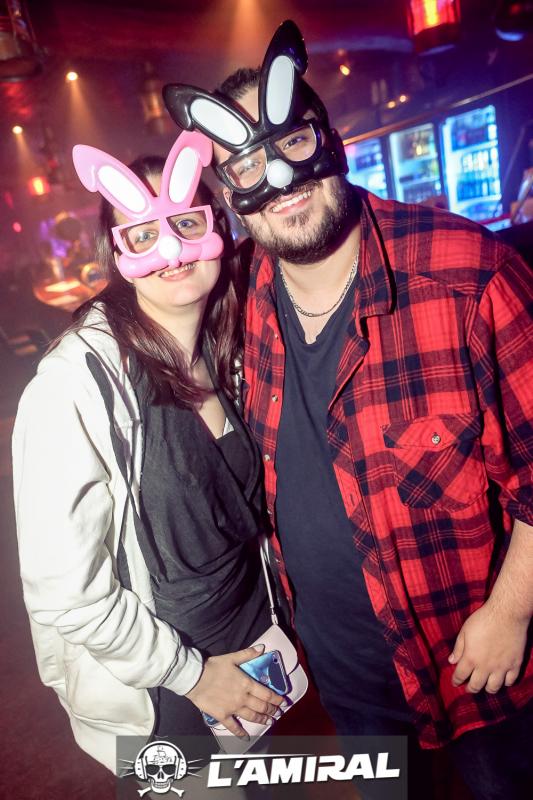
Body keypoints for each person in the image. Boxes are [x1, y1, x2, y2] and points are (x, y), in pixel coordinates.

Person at [163, 20, 533, 800]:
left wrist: (511, 612)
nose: (279, 180)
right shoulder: (239, 299)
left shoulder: (466, 274)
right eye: (245, 164)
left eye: (291, 143)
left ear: (327, 138)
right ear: (228, 194)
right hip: (344, 670)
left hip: (478, 663)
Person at [12, 131, 285, 775]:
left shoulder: (230, 349)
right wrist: (193, 677)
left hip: (256, 651)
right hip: (164, 692)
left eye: (187, 222)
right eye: (143, 234)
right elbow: (66, 596)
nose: (171, 249)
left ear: (217, 226)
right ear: (117, 252)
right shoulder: (75, 383)